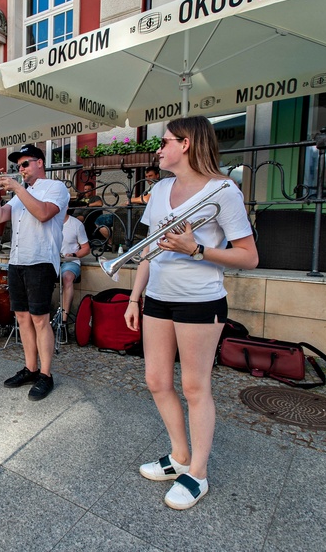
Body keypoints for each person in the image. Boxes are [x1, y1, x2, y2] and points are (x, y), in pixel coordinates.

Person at [123, 116, 258, 510]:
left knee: (195, 387)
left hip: (200, 299)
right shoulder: (162, 188)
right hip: (159, 298)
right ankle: (179, 456)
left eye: (164, 142)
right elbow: (149, 248)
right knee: (156, 380)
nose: (158, 149)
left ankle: (197, 473)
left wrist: (196, 249)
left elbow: (249, 256)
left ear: (186, 144)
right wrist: (135, 296)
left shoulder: (223, 191)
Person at [0, 144, 69, 401]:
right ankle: (30, 368)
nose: (20, 169)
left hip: (40, 261)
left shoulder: (55, 188)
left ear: (40, 163)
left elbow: (44, 214)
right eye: (18, 166)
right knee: (22, 318)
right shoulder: (21, 193)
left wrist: (16, 187)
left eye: (25, 164)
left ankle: (46, 375)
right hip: (17, 261)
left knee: (40, 319)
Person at [60, 211, 90, 325]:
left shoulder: (76, 224)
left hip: (71, 261)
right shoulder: (49, 221)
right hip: (53, 260)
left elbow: (86, 248)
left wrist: (74, 255)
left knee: (67, 277)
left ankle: (63, 320)